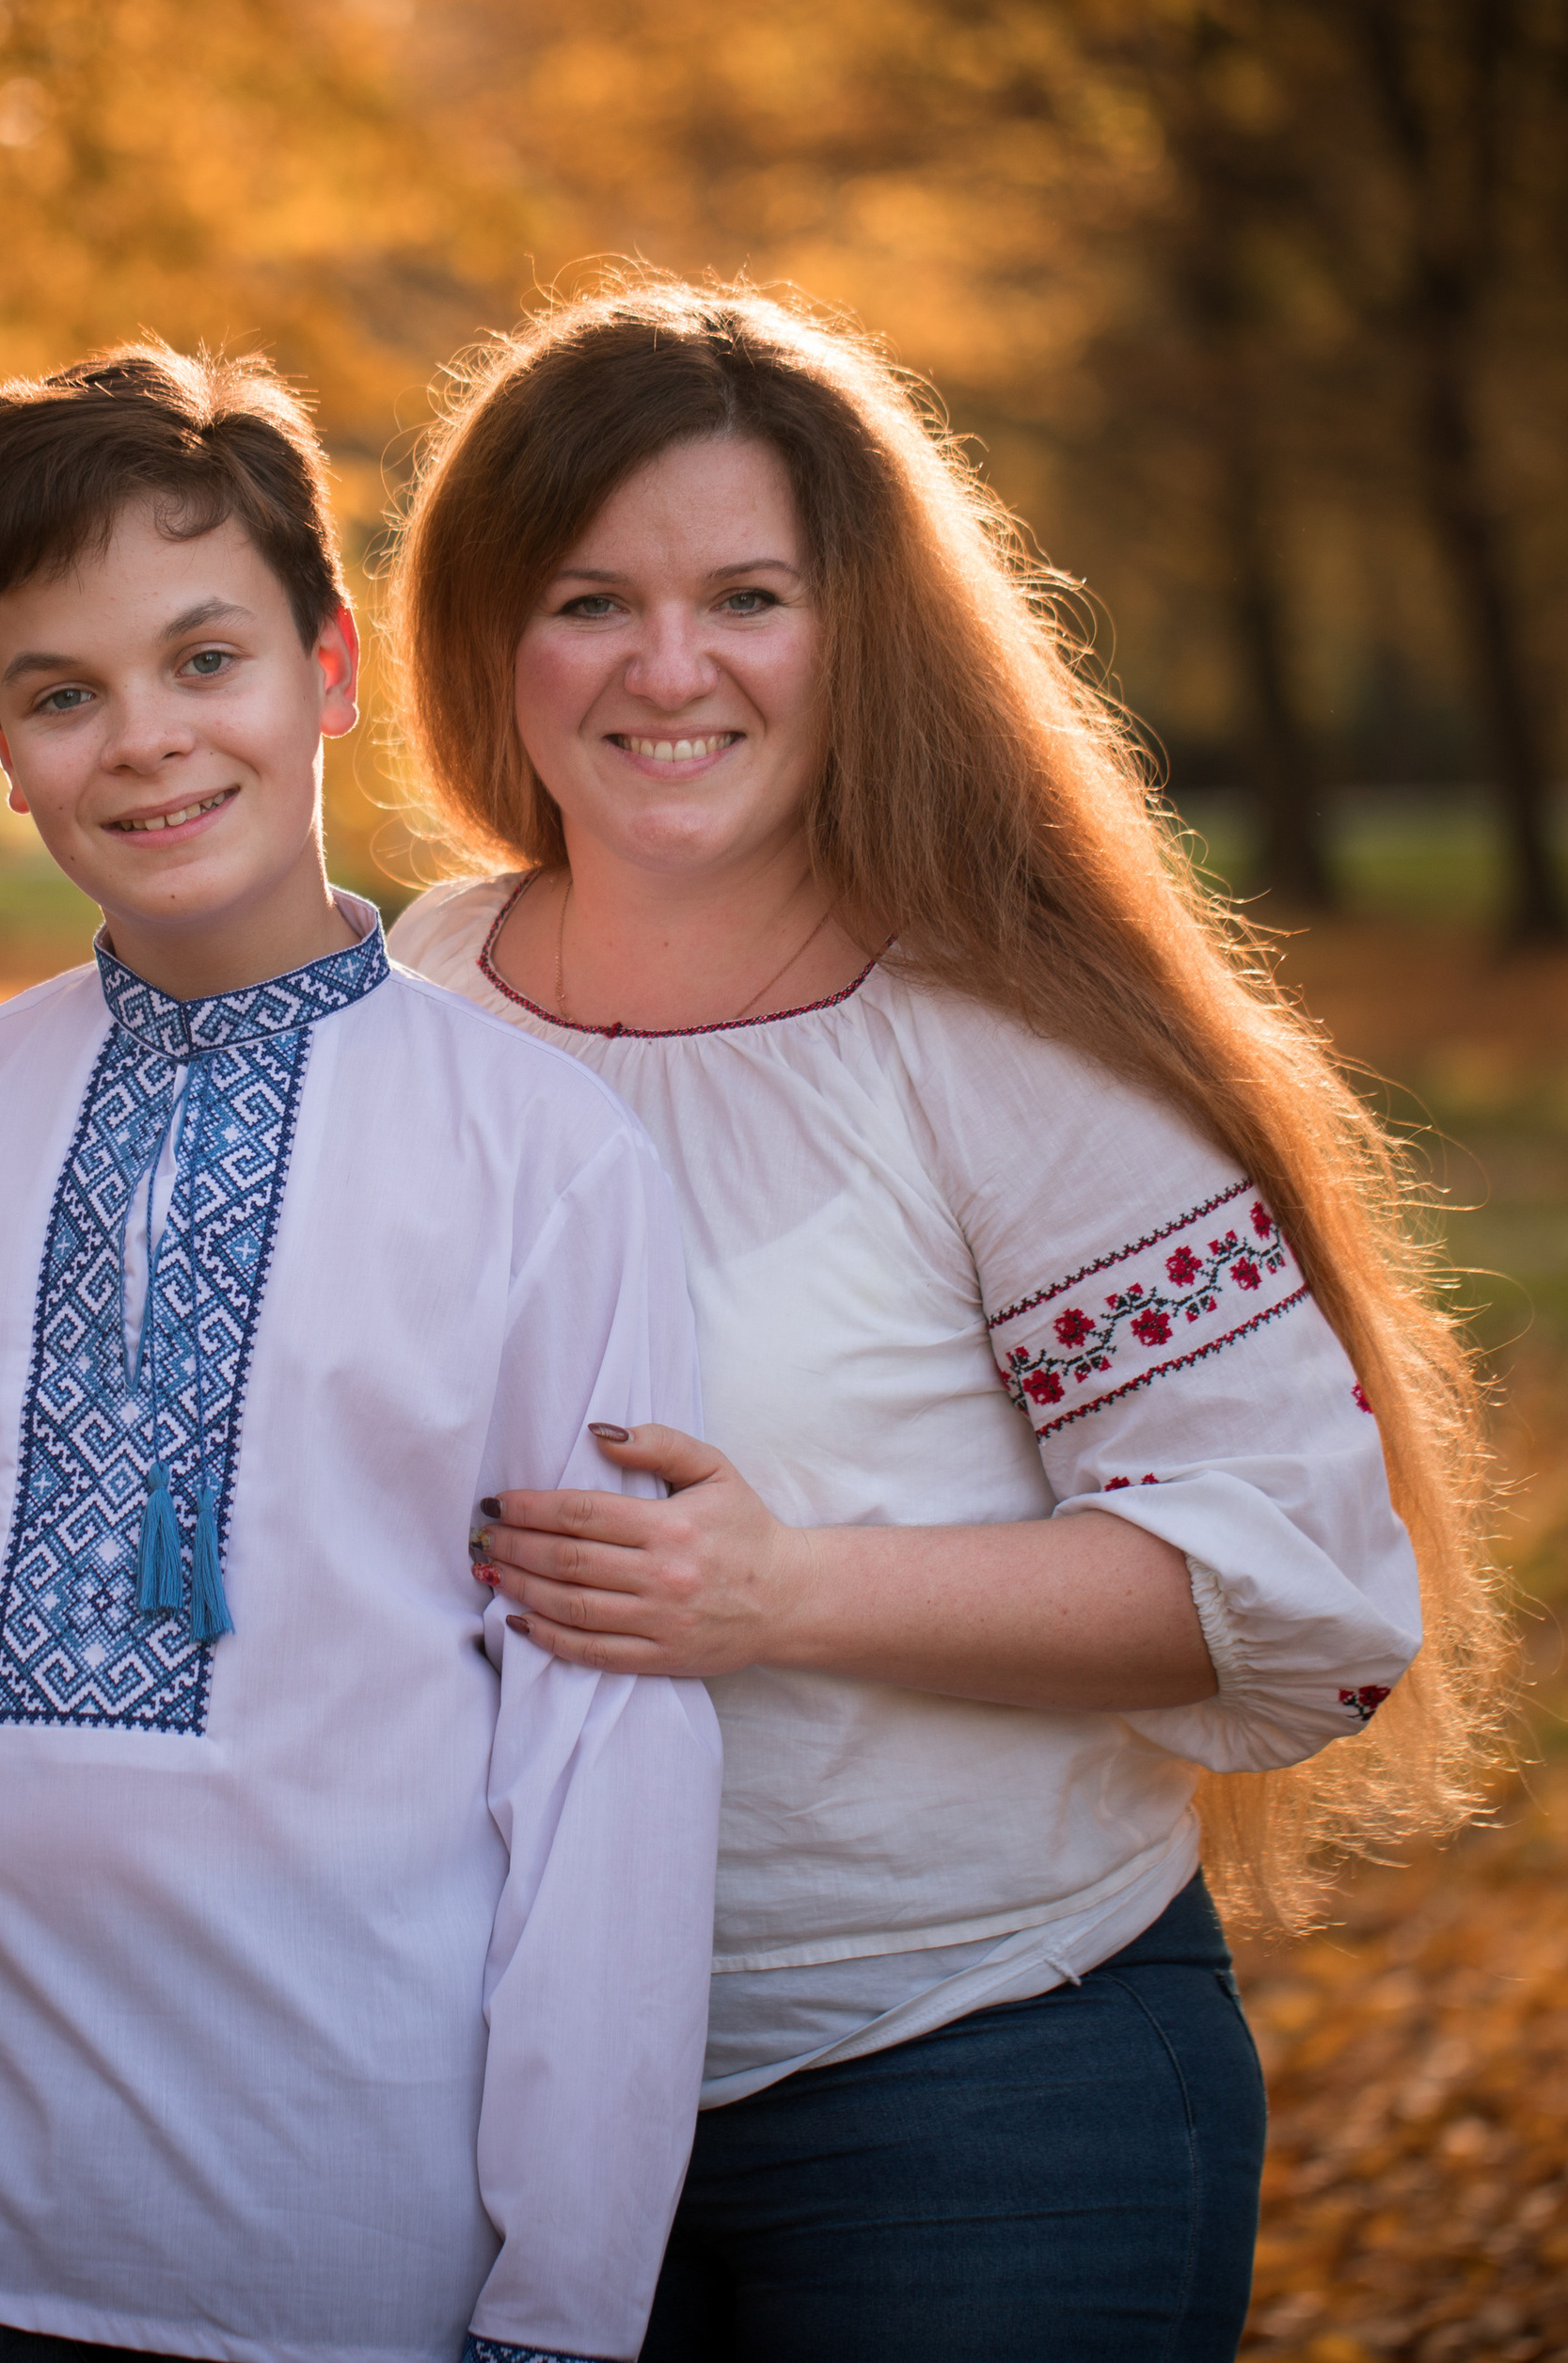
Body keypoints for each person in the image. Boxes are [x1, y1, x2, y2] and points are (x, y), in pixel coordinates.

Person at [386, 278, 1507, 2363]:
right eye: (586, 600)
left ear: (863, 632)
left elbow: (1301, 1582)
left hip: (975, 2091)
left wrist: (779, 1590)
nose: (666, 667)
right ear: (482, 637)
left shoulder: (1002, 1047)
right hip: (472, 2090)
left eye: (747, 597)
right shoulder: (402, 1012)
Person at [0, 341, 723, 2363]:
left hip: (354, 2256)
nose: (144, 738)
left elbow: (601, 1755)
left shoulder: (540, 1157)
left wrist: (564, 2300)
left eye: (204, 659)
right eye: (63, 693)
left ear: (328, 669)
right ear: (0, 745)